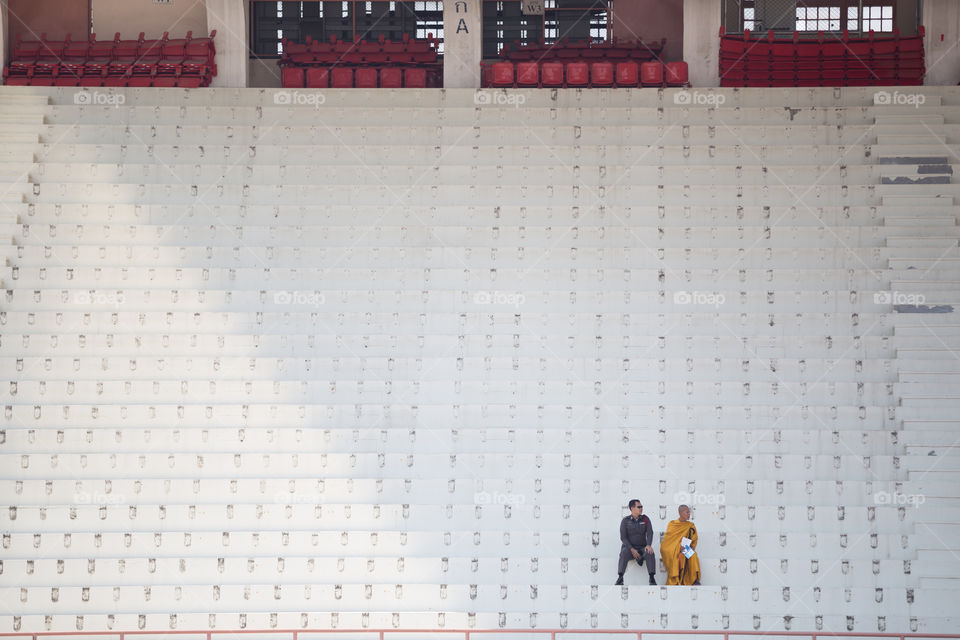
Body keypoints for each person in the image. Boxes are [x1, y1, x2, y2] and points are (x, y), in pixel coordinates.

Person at [616, 499, 656, 585]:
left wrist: (648, 545)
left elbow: (650, 533)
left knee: (650, 552)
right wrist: (632, 549)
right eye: (639, 507)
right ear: (632, 508)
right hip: (630, 549)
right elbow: (623, 537)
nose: (641, 508)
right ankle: (620, 578)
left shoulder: (645, 519)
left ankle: (652, 578)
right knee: (624, 552)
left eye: (641, 507)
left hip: (642, 548)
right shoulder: (625, 521)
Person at [661, 504, 701, 585]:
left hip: (686, 549)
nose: (689, 514)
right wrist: (679, 547)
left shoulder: (690, 525)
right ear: (680, 513)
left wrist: (691, 547)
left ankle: (695, 580)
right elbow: (667, 542)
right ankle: (676, 580)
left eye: (689, 513)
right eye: (687, 512)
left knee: (693, 555)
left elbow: (694, 539)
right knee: (679, 557)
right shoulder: (672, 524)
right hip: (675, 551)